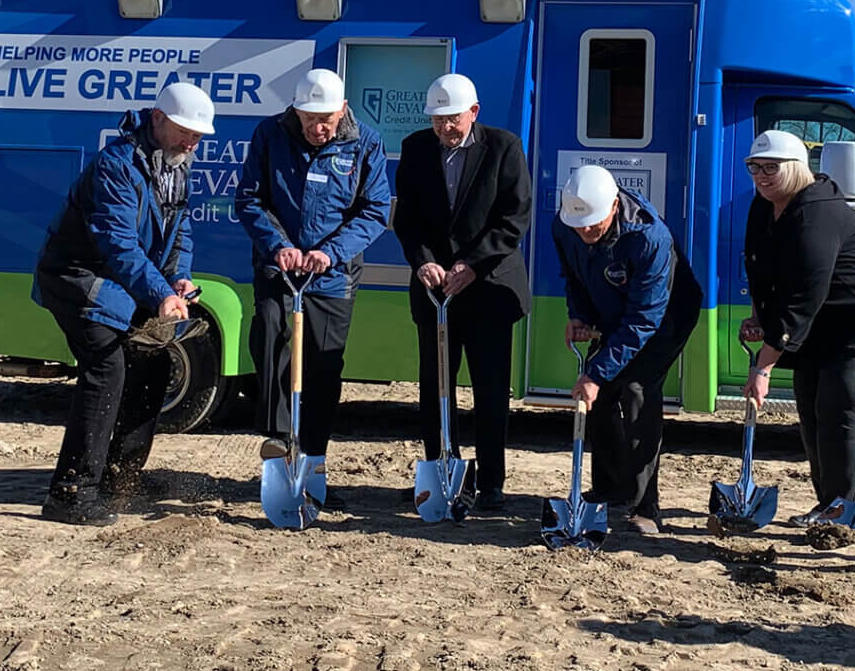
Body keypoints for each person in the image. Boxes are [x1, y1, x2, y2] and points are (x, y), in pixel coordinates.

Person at [33, 82, 215, 526]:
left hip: (117, 282)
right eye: (184, 132)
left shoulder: (175, 167)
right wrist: (162, 295)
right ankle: (72, 492)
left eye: (197, 136)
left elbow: (179, 232)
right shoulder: (116, 166)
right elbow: (119, 245)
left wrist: (179, 276)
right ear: (157, 119)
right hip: (77, 279)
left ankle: (122, 476)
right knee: (106, 370)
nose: (191, 142)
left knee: (153, 365)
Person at [740, 129, 855, 528]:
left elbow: (803, 295)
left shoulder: (817, 211)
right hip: (827, 323)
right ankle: (827, 503)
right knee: (809, 407)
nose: (762, 175)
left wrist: (764, 368)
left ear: (795, 168)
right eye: (754, 167)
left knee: (840, 404)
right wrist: (759, 317)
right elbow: (759, 270)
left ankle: (842, 508)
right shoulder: (763, 205)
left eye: (772, 167)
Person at [235, 68, 390, 509]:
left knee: (323, 367)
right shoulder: (269, 134)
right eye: (308, 120)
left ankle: (313, 459)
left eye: (325, 120)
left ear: (342, 110)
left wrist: (331, 252)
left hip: (332, 274)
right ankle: (280, 439)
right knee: (269, 332)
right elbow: (249, 199)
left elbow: (375, 210)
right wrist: (278, 246)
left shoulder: (365, 143)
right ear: (296, 111)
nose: (317, 128)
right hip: (279, 267)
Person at [393, 73, 532, 511]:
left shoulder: (504, 147)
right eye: (437, 121)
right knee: (436, 387)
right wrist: (424, 262)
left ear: (473, 113)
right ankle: (440, 468)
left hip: (490, 288)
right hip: (436, 292)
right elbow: (407, 219)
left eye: (452, 120)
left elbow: (515, 218)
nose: (444, 129)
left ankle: (491, 482)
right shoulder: (416, 149)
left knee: (490, 390)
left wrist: (472, 265)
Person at [552, 165, 702, 536]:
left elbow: (643, 320)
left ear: (614, 207)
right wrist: (579, 315)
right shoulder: (565, 225)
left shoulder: (650, 237)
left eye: (593, 225)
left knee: (636, 390)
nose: (585, 232)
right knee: (598, 399)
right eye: (579, 226)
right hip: (614, 312)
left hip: (664, 317)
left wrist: (597, 373)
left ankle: (644, 507)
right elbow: (574, 275)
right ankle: (609, 488)